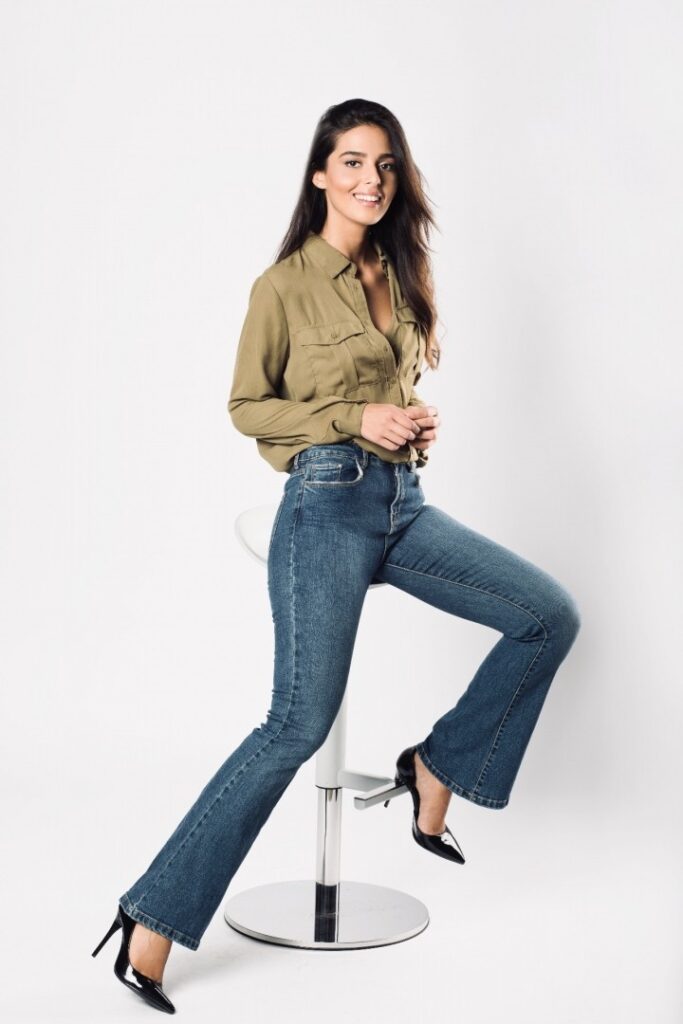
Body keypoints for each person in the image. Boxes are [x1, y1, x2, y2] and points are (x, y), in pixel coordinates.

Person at [92, 98, 581, 1014]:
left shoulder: (399, 270)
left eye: (384, 164)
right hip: (323, 505)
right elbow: (247, 408)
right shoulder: (281, 286)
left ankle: (437, 765)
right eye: (352, 162)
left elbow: (393, 392)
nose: (370, 179)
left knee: (546, 616)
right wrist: (354, 418)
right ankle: (150, 912)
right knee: (295, 724)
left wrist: (409, 422)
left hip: (403, 505)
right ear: (319, 174)